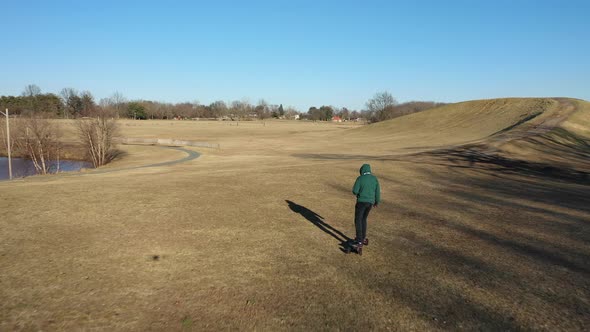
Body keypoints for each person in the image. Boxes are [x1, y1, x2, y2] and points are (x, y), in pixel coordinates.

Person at [351, 163, 381, 255]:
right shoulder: (374, 179)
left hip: (361, 202)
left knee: (358, 220)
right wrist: (377, 201)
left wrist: (359, 193)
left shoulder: (360, 179)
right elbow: (377, 191)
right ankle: (363, 238)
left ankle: (359, 242)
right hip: (370, 203)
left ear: (362, 171)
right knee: (364, 219)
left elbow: (355, 191)